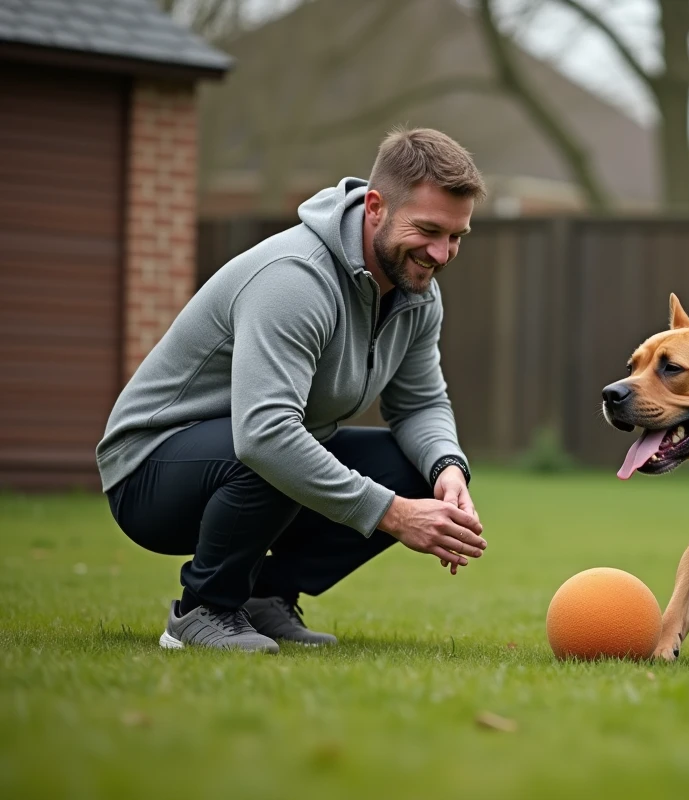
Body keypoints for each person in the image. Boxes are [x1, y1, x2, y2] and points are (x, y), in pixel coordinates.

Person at [96, 128, 488, 653]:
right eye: (429, 230)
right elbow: (263, 435)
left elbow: (419, 403)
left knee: (413, 466)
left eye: (456, 236)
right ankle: (203, 610)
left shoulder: (418, 294)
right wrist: (394, 514)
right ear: (375, 207)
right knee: (273, 447)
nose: (441, 253)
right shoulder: (295, 279)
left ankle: (265, 598)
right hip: (148, 472)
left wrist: (447, 470)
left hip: (247, 453)